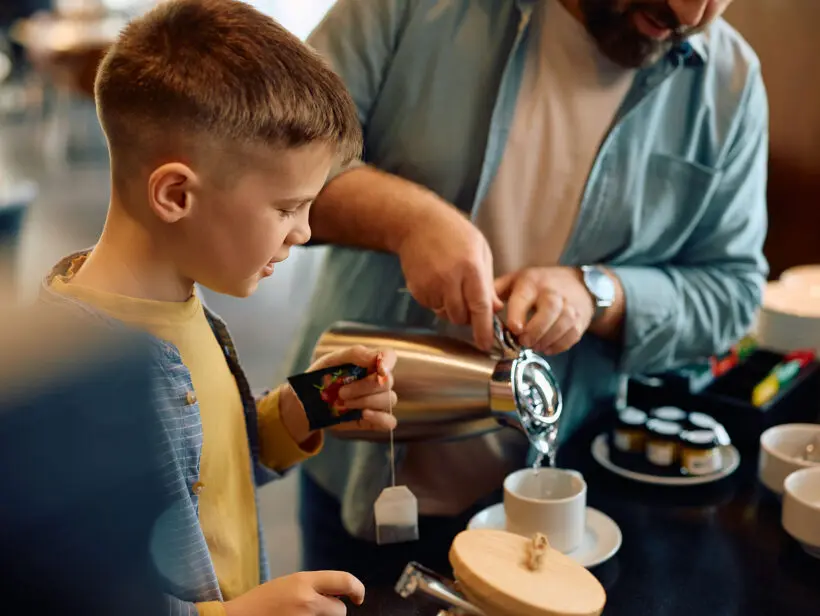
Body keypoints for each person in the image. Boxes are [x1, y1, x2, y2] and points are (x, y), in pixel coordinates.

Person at [291, 0, 768, 582]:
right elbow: (257, 161)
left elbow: (732, 290)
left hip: (566, 502)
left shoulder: (730, 83)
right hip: (351, 462)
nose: (691, 14)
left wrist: (599, 294)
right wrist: (405, 220)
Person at [37, 0, 400, 614]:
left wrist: (301, 409)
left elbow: (211, 470)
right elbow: (81, 590)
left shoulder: (182, 302)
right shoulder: (76, 386)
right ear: (176, 194)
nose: (304, 232)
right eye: (287, 208)